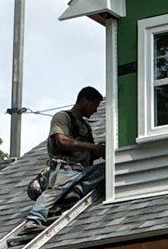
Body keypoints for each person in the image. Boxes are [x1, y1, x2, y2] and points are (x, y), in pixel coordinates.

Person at [24, 87, 106, 226]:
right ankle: (33, 220)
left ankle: (75, 191)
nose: (96, 110)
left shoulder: (86, 127)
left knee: (107, 168)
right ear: (85, 101)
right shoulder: (63, 117)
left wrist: (102, 150)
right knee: (54, 191)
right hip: (64, 168)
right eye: (95, 105)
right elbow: (62, 141)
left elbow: (89, 154)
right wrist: (93, 147)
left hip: (82, 172)